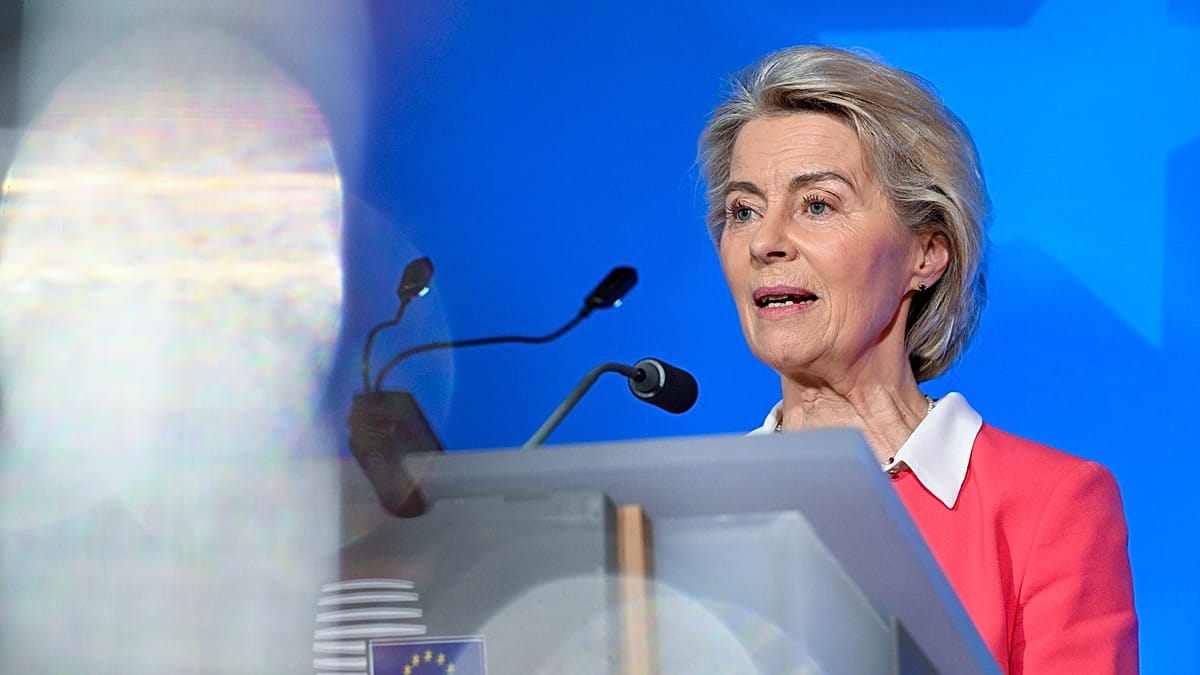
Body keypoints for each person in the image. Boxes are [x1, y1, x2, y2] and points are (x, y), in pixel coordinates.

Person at [698, 45, 1137, 674]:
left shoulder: (1048, 505)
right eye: (743, 211)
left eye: (817, 204)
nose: (764, 242)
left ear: (926, 254)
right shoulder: (693, 508)